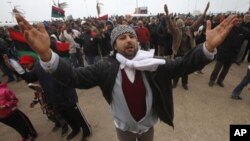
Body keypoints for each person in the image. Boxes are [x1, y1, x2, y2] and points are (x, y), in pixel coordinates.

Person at [15, 11, 237, 141]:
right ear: (114, 45)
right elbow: (73, 77)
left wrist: (207, 47)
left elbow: (184, 64)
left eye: (131, 36)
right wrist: (46, 54)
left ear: (137, 41)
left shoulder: (155, 64)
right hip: (124, 129)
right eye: (122, 38)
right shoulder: (105, 67)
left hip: (148, 126)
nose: (129, 39)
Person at [11, 55, 91, 141]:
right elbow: (31, 77)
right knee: (66, 116)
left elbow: (69, 75)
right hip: (53, 98)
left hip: (66, 96)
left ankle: (86, 131)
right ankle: (75, 129)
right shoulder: (38, 66)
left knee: (76, 115)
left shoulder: (57, 61)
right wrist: (18, 71)